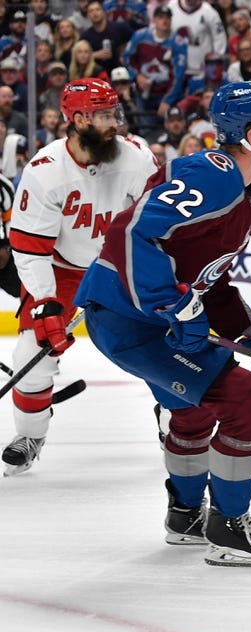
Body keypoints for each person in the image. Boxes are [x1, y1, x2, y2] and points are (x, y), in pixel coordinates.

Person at [73, 81, 251, 568]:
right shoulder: (212, 173)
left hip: (148, 317)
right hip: (128, 319)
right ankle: (229, 528)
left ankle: (184, 516)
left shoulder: (246, 202)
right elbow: (133, 234)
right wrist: (175, 308)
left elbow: (208, 284)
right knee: (244, 399)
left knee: (193, 410)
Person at [3, 79, 157, 476]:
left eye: (114, 113)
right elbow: (29, 247)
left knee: (165, 343)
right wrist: (46, 302)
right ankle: (30, 435)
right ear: (78, 119)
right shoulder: (45, 171)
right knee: (31, 357)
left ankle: (177, 424)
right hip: (62, 270)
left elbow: (158, 224)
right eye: (105, 115)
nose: (115, 123)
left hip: (122, 266)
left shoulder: (137, 158)